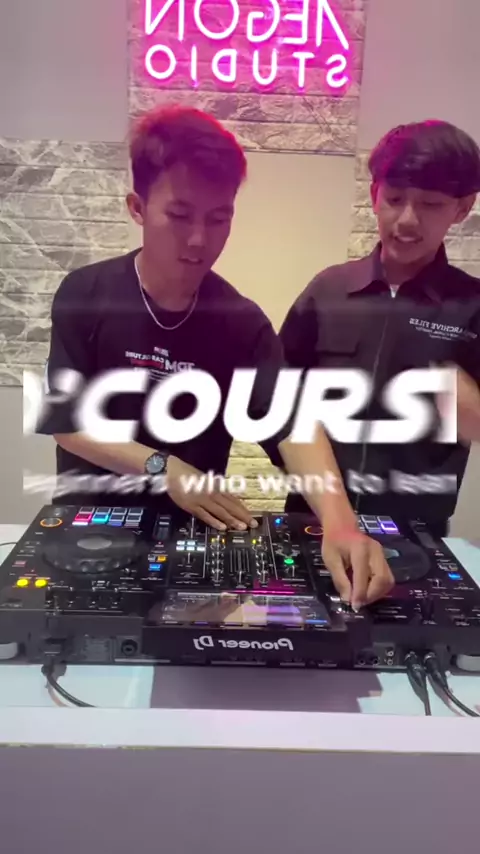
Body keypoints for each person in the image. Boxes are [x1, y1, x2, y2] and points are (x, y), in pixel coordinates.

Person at [36, 104, 393, 609]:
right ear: (137, 207)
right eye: (179, 216)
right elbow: (67, 423)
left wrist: (341, 523)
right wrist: (166, 468)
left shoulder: (240, 322)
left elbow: (291, 423)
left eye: (218, 218)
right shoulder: (85, 293)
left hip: (194, 538)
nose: (199, 240)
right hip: (90, 528)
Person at [279, 119, 480, 539]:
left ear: (462, 209)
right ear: (374, 196)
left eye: (430, 205)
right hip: (314, 523)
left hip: (415, 535)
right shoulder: (328, 290)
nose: (407, 220)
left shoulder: (472, 305)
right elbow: (278, 401)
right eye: (395, 199)